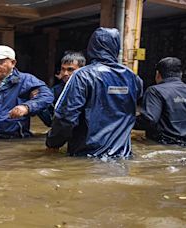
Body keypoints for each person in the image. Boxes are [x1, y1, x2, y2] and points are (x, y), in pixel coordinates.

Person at [46, 27, 143, 157]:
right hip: (123, 155)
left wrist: (53, 143)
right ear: (116, 47)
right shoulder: (133, 78)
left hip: (87, 155)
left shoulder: (83, 75)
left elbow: (66, 117)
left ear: (92, 46)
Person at [134, 57, 186, 145]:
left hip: (164, 144)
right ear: (181, 74)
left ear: (158, 74)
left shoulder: (155, 91)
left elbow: (149, 120)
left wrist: (127, 121)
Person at [37, 51, 86, 127]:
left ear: (82, 70)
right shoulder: (56, 91)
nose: (65, 73)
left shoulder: (91, 89)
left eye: (70, 70)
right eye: (63, 69)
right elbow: (50, 122)